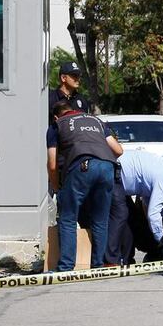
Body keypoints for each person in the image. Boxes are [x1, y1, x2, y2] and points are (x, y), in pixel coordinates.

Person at [46, 101, 123, 271]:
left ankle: (66, 267)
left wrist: (57, 187)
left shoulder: (57, 125)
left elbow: (52, 164)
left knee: (67, 218)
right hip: (108, 167)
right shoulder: (95, 121)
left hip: (82, 166)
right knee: (100, 220)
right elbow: (118, 150)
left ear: (56, 116)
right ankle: (98, 265)